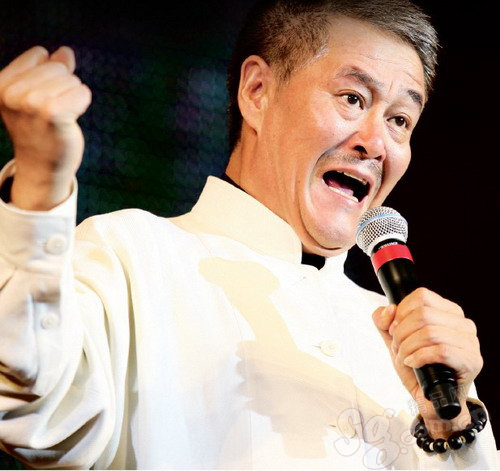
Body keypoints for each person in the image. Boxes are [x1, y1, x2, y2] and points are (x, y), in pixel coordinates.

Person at [0, 0, 497, 468]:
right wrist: (40, 186)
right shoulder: (131, 253)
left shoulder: (411, 344)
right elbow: (35, 410)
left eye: (400, 120)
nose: (376, 143)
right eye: (352, 98)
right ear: (257, 92)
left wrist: (450, 421)